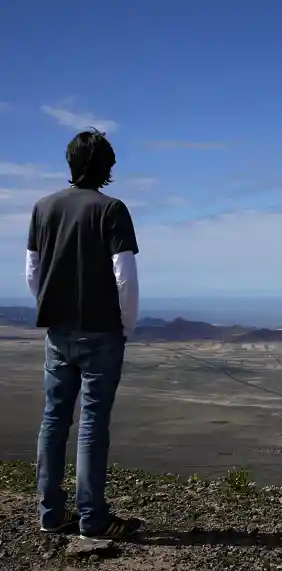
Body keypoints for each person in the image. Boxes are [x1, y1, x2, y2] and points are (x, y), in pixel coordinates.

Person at [26, 128, 142, 539]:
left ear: (70, 163)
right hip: (102, 331)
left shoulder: (43, 208)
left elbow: (32, 272)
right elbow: (124, 276)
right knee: (93, 422)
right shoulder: (112, 210)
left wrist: (51, 307)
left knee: (54, 418)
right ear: (107, 168)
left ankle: (50, 514)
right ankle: (93, 519)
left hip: (57, 332)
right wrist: (125, 325)